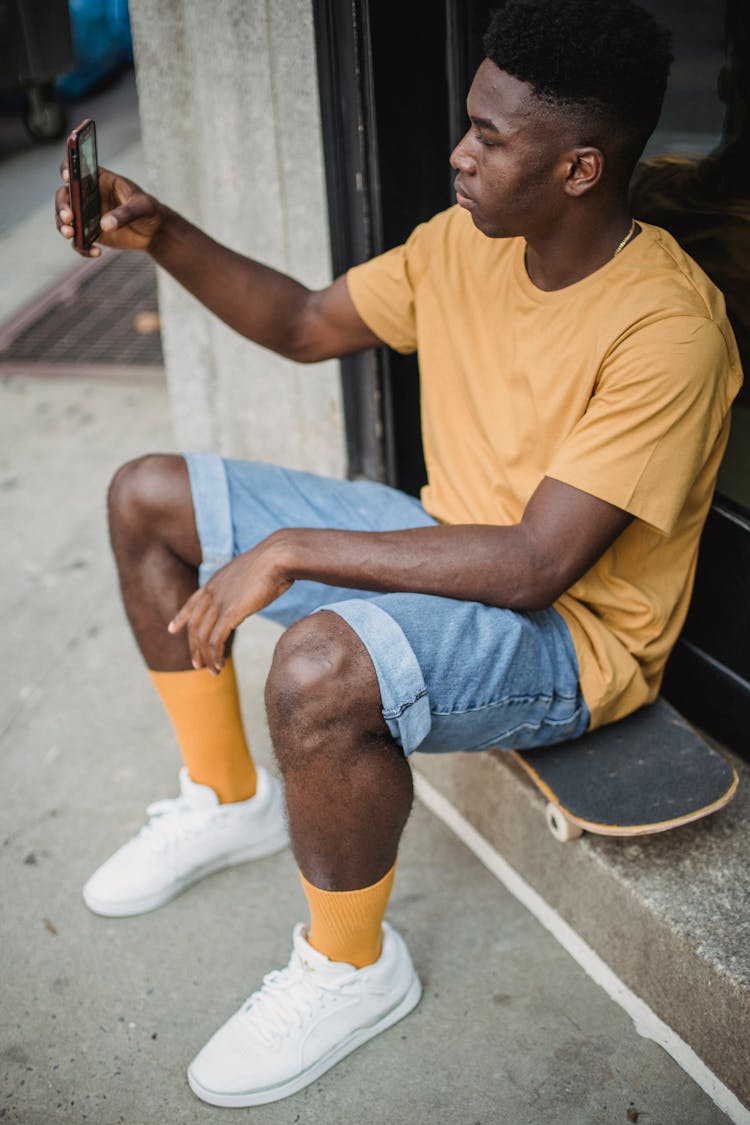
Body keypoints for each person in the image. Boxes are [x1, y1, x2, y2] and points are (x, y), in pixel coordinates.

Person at [54, 0, 741, 1109]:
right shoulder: (465, 242)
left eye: (491, 137)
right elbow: (303, 323)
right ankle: (228, 799)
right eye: (470, 122)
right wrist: (159, 230)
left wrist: (290, 549)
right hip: (441, 541)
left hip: (570, 637)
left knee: (319, 670)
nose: (460, 152)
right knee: (148, 497)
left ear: (578, 169)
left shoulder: (669, 330)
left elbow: (531, 569)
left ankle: (352, 968)